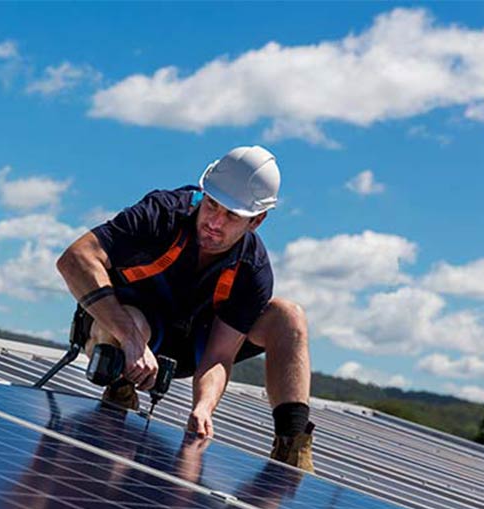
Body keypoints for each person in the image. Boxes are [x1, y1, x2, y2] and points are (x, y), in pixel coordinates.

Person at [56, 146, 314, 471]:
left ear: (257, 220)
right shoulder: (162, 213)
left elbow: (219, 356)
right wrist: (132, 339)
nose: (214, 223)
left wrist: (204, 407)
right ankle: (120, 389)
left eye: (232, 216)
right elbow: (75, 258)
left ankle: (292, 450)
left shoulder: (252, 269)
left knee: (288, 316)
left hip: (191, 348)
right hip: (124, 332)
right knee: (133, 322)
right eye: (212, 205)